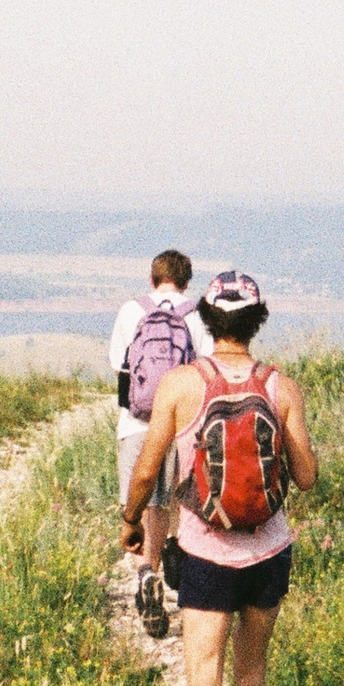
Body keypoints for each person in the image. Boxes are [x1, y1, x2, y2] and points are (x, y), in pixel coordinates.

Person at [119, 268, 318, 686]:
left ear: (205, 319)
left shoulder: (183, 384)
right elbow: (306, 477)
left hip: (206, 551)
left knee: (202, 683)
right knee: (251, 672)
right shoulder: (281, 386)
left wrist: (131, 522)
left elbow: (149, 468)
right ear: (257, 322)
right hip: (268, 551)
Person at [107, 249, 201, 633]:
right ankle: (173, 557)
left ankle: (146, 570)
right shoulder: (196, 314)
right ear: (186, 280)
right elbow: (204, 368)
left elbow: (119, 362)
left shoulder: (132, 310)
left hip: (135, 422)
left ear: (152, 278)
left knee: (142, 502)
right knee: (172, 500)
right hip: (179, 423)